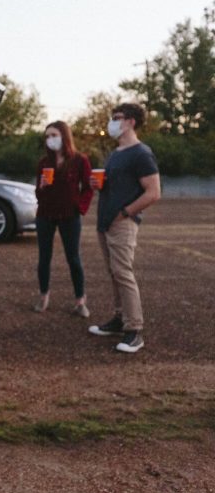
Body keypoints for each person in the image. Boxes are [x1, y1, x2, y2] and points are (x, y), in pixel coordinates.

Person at [88, 103, 160, 354]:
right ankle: (120, 319)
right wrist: (99, 184)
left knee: (123, 273)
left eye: (117, 118)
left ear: (130, 121)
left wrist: (126, 212)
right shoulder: (117, 152)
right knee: (114, 273)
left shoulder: (141, 153)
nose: (112, 122)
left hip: (122, 223)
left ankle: (134, 331)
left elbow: (154, 192)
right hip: (105, 221)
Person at [33, 120, 94, 316]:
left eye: (54, 135)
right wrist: (41, 186)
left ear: (64, 136)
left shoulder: (79, 160)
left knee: (73, 258)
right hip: (45, 214)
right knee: (44, 257)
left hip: (69, 215)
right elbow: (38, 194)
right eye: (47, 136)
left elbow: (88, 188)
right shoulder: (44, 163)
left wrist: (80, 207)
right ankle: (43, 296)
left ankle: (80, 301)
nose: (50, 139)